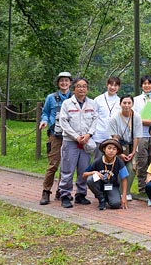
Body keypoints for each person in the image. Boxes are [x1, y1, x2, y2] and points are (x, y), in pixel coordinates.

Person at [57, 77, 98, 208]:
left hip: (86, 141)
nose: (82, 89)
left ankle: (81, 194)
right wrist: (75, 136)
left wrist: (88, 135)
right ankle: (65, 195)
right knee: (67, 169)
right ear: (74, 88)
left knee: (84, 169)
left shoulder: (92, 103)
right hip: (70, 141)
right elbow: (64, 122)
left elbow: (95, 120)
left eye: (84, 86)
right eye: (79, 86)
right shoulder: (67, 104)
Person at [38, 71, 72, 205]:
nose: (64, 83)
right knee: (53, 164)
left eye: (66, 81)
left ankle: (62, 190)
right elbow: (45, 112)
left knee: (67, 165)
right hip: (55, 135)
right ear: (58, 83)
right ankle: (46, 191)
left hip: (70, 135)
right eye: (61, 81)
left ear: (70, 83)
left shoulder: (74, 98)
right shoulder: (51, 98)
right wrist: (44, 121)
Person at [108, 94, 141, 201]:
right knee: (119, 167)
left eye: (129, 103)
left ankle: (126, 192)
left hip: (132, 147)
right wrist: (119, 153)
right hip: (117, 148)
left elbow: (136, 136)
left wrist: (133, 153)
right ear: (120, 104)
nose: (126, 105)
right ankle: (117, 191)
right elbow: (114, 137)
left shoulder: (136, 117)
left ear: (132, 104)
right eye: (124, 103)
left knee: (131, 169)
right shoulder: (114, 118)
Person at [83, 138, 129, 210]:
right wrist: (94, 172)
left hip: (112, 186)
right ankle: (101, 199)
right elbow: (84, 174)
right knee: (90, 179)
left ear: (117, 151)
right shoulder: (97, 161)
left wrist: (124, 197)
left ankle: (108, 196)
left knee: (115, 204)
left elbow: (124, 179)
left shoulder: (119, 162)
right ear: (104, 149)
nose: (111, 151)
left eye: (114, 149)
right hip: (99, 185)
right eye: (109, 148)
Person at [92, 76, 121, 150]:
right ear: (107, 85)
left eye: (115, 85)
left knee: (111, 159)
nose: (113, 87)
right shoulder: (98, 99)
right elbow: (93, 117)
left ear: (119, 87)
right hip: (99, 135)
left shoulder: (120, 101)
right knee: (97, 159)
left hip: (113, 136)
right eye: (111, 85)